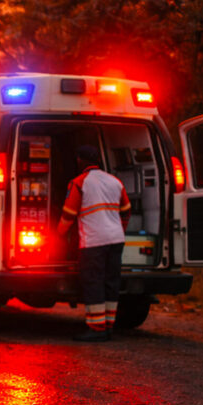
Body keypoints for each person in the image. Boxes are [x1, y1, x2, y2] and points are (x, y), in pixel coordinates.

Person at [57, 145, 131, 342]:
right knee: (111, 282)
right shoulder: (115, 181)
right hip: (116, 239)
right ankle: (108, 325)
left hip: (94, 242)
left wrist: (59, 234)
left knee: (93, 282)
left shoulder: (79, 183)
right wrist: (119, 230)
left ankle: (96, 328)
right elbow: (126, 209)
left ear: (81, 161)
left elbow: (69, 214)